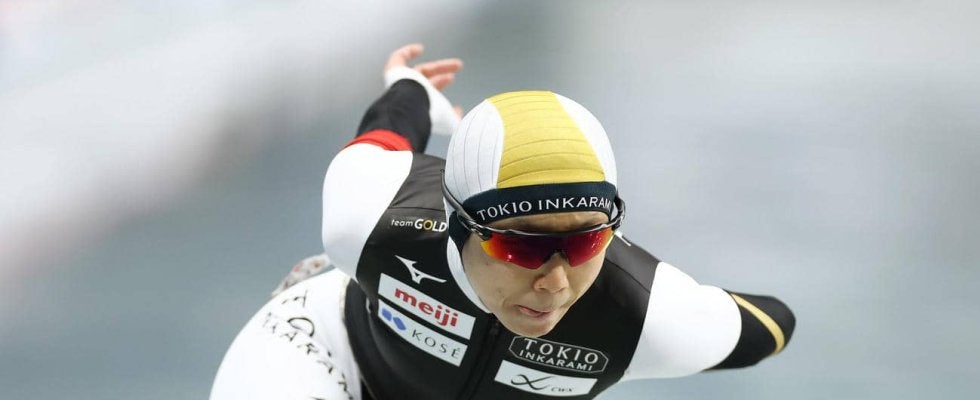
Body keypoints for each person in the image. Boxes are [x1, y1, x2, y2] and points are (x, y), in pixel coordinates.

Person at [210, 44, 796, 400]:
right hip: (323, 354)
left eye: (587, 240)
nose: (555, 283)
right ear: (456, 224)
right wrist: (414, 88)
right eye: (523, 247)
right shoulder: (366, 222)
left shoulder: (648, 315)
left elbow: (773, 326)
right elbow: (386, 132)